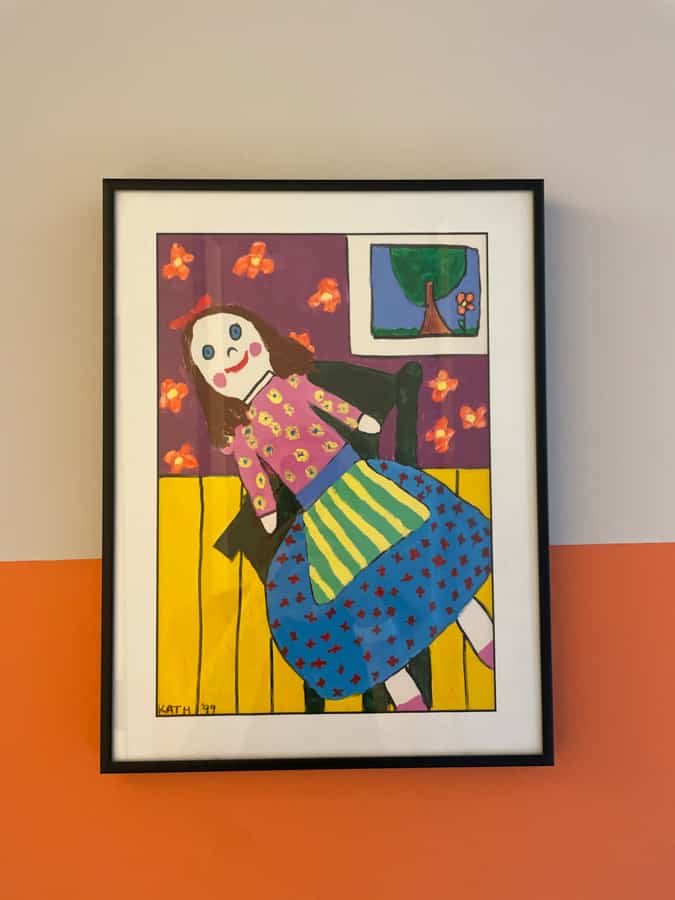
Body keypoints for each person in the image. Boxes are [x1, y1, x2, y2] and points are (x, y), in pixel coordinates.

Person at [181, 299, 495, 711]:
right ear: (208, 382)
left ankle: (478, 626)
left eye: (236, 334)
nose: (230, 353)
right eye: (209, 354)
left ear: (262, 337)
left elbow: (327, 403)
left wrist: (359, 419)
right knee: (359, 596)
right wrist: (266, 511)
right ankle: (401, 688)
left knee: (420, 548)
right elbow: (253, 476)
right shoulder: (244, 435)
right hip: (322, 514)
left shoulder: (293, 385)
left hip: (360, 483)